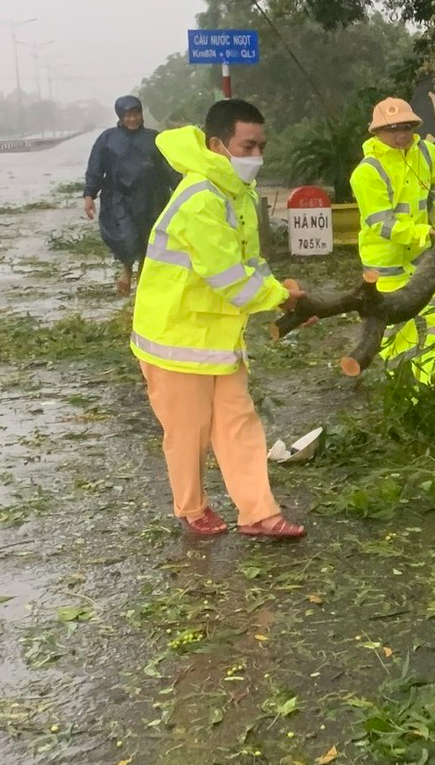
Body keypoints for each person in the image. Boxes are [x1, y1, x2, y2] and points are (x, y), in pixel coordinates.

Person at [132, 98, 307, 539]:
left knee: (239, 421)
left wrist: (287, 299)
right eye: (247, 146)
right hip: (174, 338)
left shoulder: (238, 194)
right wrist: (279, 299)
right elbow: (229, 278)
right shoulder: (201, 200)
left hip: (219, 335)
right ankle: (192, 508)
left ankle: (259, 513)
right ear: (217, 144)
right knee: (188, 434)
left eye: (260, 147)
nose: (256, 157)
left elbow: (250, 263)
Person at [350, 97, 435, 385]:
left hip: (425, 256)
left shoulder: (427, 153)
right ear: (376, 132)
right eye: (392, 129)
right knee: (396, 329)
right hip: (385, 262)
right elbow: (382, 223)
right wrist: (425, 233)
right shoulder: (367, 172)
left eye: (405, 127)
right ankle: (405, 391)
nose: (400, 134)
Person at [83, 95, 176, 295]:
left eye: (136, 114)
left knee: (149, 239)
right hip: (118, 198)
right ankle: (126, 269)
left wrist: (182, 190)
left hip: (152, 197)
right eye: (127, 115)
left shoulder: (155, 138)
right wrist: (89, 194)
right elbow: (96, 168)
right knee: (125, 236)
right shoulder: (108, 139)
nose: (132, 119)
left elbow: (169, 169)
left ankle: (143, 283)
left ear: (141, 114)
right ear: (120, 116)